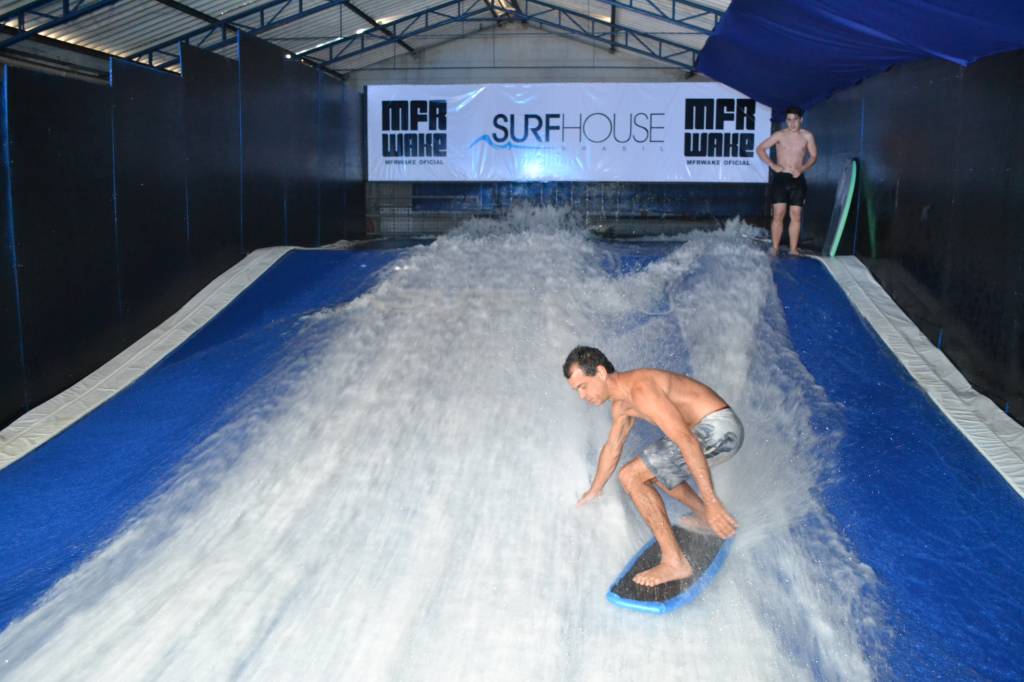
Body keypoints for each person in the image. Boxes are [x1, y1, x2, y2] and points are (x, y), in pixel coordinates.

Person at [564, 346, 743, 587]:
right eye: (577, 390)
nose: (582, 396)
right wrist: (595, 490)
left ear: (600, 372)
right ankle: (705, 518)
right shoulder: (621, 405)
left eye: (583, 386)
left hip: (720, 429)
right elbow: (613, 447)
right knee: (653, 471)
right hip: (709, 431)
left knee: (631, 475)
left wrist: (712, 501)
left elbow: (687, 441)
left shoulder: (641, 389)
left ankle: (674, 562)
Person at [756, 105, 818, 256]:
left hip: (797, 178)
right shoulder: (779, 135)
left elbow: (814, 156)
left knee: (796, 215)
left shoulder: (807, 136)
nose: (792, 123)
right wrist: (773, 165)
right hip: (781, 179)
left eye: (795, 119)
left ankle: (793, 249)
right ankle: (775, 247)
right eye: (789, 120)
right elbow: (760, 149)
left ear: (801, 119)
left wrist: (802, 168)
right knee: (779, 214)